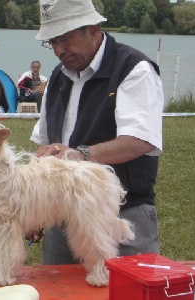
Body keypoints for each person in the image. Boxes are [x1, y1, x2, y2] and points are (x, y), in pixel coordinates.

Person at [28, 0, 164, 264]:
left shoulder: (134, 68)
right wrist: (37, 205)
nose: (58, 50)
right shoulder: (57, 77)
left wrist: (81, 154)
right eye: (52, 42)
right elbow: (48, 145)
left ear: (92, 29)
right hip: (62, 216)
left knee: (124, 292)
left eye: (64, 39)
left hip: (121, 215)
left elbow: (140, 140)